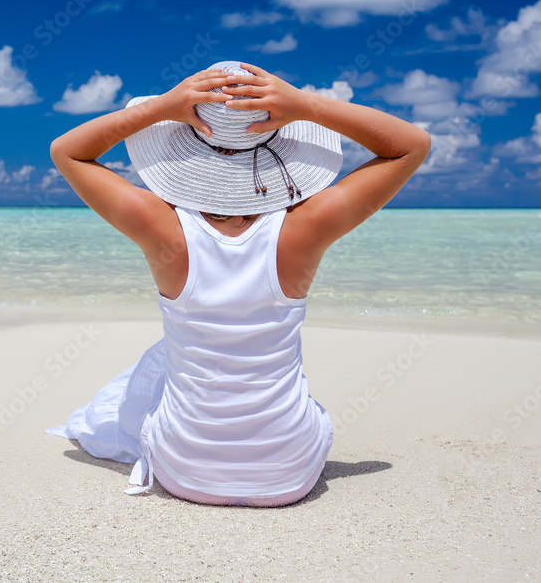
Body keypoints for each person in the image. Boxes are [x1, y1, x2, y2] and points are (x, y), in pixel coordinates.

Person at [45, 61, 430, 506]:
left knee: (162, 360)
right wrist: (307, 105)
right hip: (290, 475)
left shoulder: (161, 227)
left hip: (184, 472)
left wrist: (161, 108)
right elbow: (410, 147)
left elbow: (67, 152)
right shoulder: (305, 229)